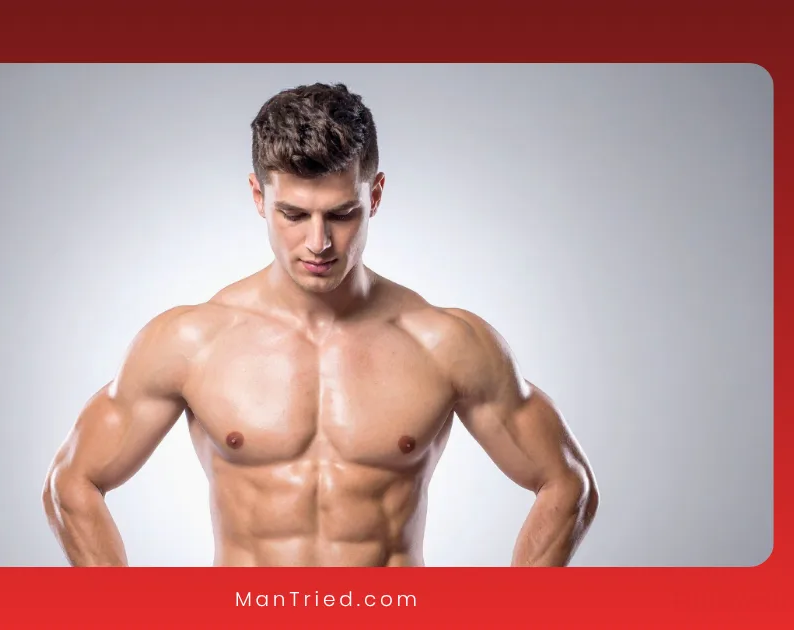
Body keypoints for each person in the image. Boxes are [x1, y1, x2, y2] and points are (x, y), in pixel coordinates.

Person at [42, 82, 599, 567]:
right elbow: (73, 481)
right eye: (293, 215)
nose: (318, 243)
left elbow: (566, 481)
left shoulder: (445, 343)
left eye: (341, 213)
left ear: (374, 196)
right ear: (259, 197)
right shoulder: (192, 342)